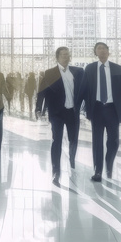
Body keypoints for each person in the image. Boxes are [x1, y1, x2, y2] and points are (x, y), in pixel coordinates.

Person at [38, 46, 85, 186]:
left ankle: (71, 160)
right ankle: (56, 171)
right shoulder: (49, 73)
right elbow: (42, 92)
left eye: (67, 54)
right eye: (63, 55)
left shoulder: (77, 72)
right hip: (57, 112)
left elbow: (83, 90)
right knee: (56, 140)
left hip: (72, 112)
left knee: (73, 139)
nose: (66, 57)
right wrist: (38, 108)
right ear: (57, 57)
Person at [82, 42, 121, 182]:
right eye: (98, 49)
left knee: (113, 141)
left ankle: (109, 162)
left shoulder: (117, 69)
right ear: (95, 52)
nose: (101, 51)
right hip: (96, 109)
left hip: (112, 109)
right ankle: (98, 170)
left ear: (108, 52)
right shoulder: (89, 69)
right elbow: (84, 90)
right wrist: (84, 110)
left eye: (104, 49)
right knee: (97, 141)